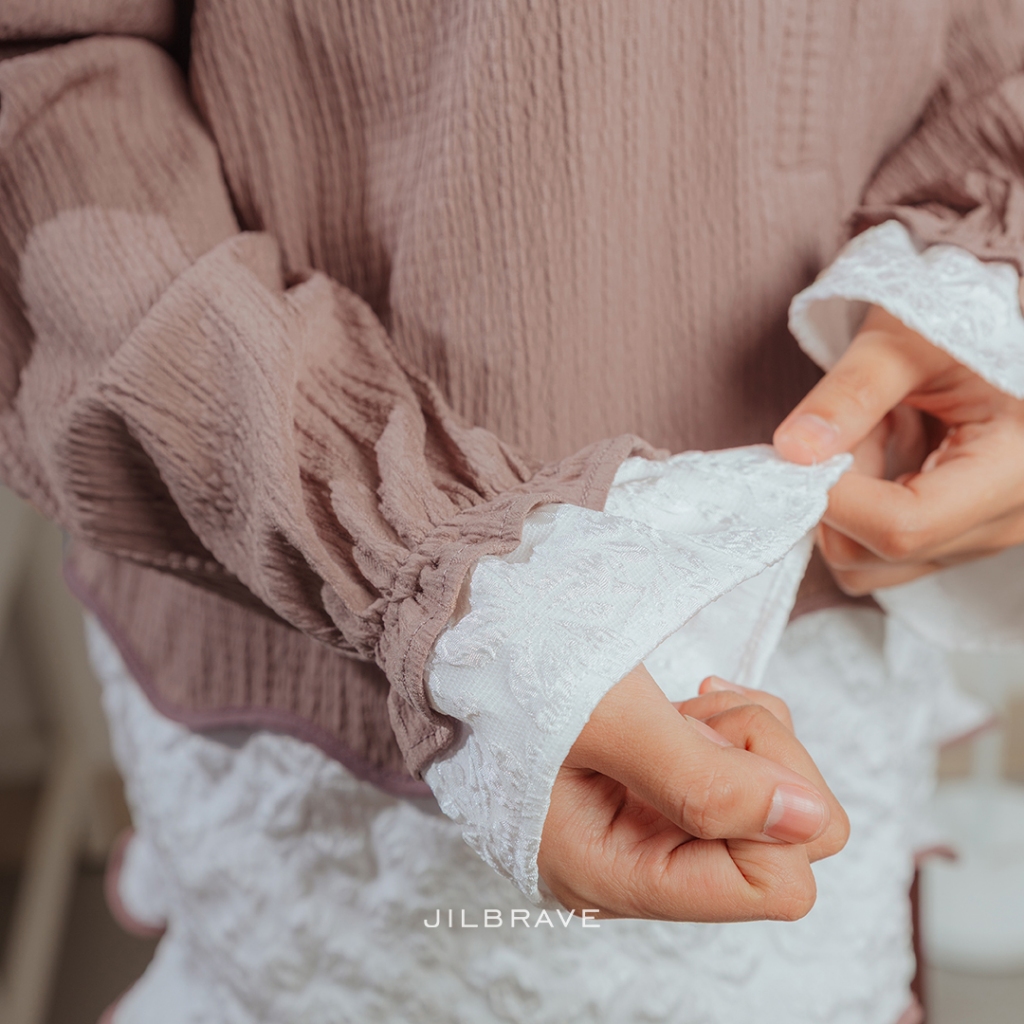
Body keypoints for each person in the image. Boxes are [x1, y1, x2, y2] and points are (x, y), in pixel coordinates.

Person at [2, 1, 1023, 1021]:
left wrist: (984, 295)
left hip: (825, 614)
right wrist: (459, 583)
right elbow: (42, 67)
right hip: (333, 613)